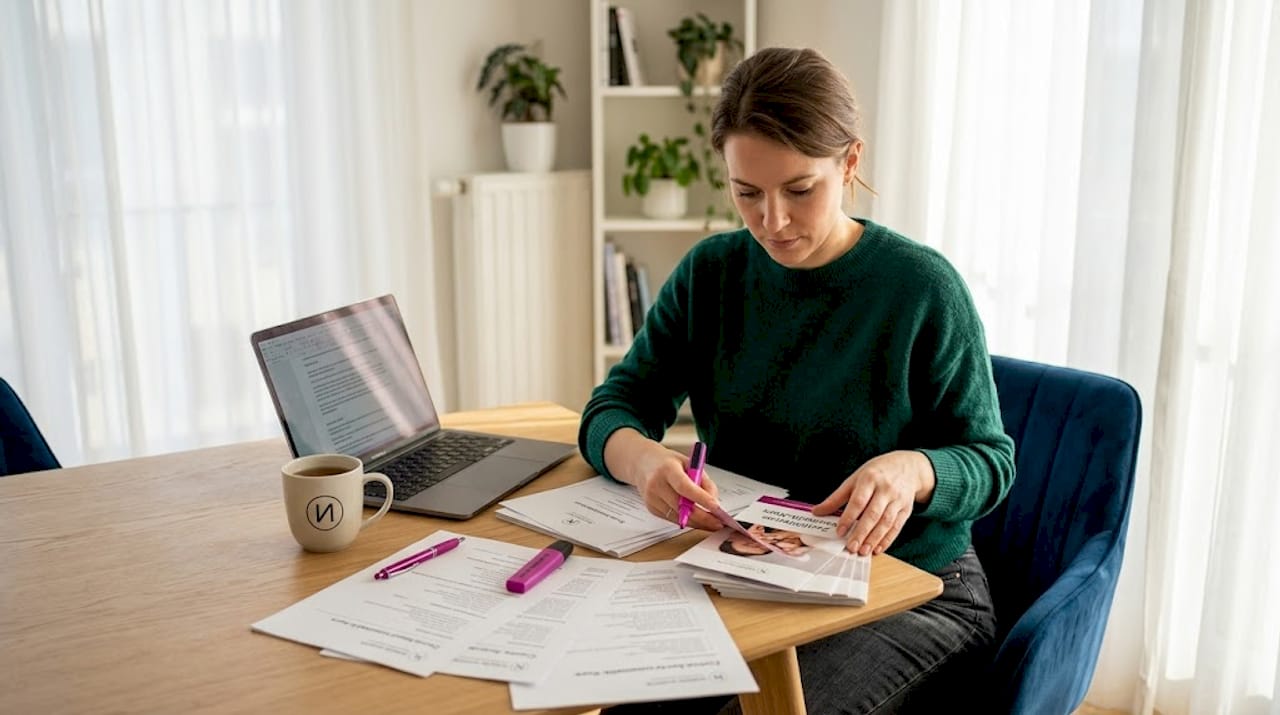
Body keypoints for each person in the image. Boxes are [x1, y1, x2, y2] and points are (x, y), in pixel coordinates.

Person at [579, 46, 1015, 714]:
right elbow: (616, 405)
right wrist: (642, 462)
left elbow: (991, 459)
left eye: (800, 190)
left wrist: (914, 470)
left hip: (913, 586)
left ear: (850, 162)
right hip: (754, 569)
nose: (772, 221)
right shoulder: (710, 275)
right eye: (747, 193)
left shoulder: (922, 288)